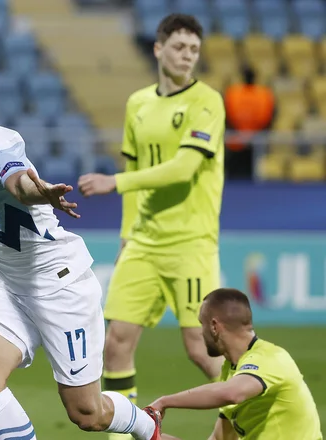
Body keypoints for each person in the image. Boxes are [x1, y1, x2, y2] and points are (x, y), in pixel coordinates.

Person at [0, 13, 162, 440]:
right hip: (9, 286)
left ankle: (147, 425)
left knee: (87, 414)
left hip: (60, 286)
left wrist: (42, 193)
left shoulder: (1, 149)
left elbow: (18, 183)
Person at [77, 13, 225, 424]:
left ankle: (244, 418)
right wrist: (127, 236)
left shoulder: (207, 101)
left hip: (190, 242)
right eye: (179, 47)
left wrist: (115, 182)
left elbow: (183, 168)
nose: (187, 56)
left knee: (200, 348)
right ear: (159, 49)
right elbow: (141, 174)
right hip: (144, 242)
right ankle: (123, 432)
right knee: (116, 344)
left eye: (194, 49)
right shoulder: (138, 104)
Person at [149, 288, 322, 440]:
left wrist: (165, 402)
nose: (201, 333)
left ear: (215, 326)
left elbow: (233, 393)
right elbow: (219, 438)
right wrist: (149, 434)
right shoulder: (231, 370)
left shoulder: (269, 358)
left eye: (202, 324)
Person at [223, 66, 275, 180]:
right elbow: (270, 117)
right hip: (247, 141)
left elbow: (226, 116)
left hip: (243, 141)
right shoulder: (263, 94)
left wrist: (243, 135)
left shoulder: (234, 93)